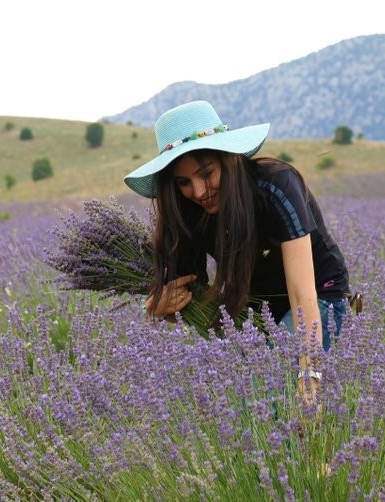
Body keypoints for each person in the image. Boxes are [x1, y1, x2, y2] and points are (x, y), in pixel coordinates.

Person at [123, 100, 349, 395]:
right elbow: (189, 294)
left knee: (280, 394)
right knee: (246, 404)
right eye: (184, 182)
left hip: (317, 295)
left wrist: (309, 377)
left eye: (206, 174)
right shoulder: (189, 212)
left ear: (227, 159)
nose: (199, 192)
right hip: (255, 309)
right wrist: (156, 306)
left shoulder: (276, 185)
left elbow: (301, 293)